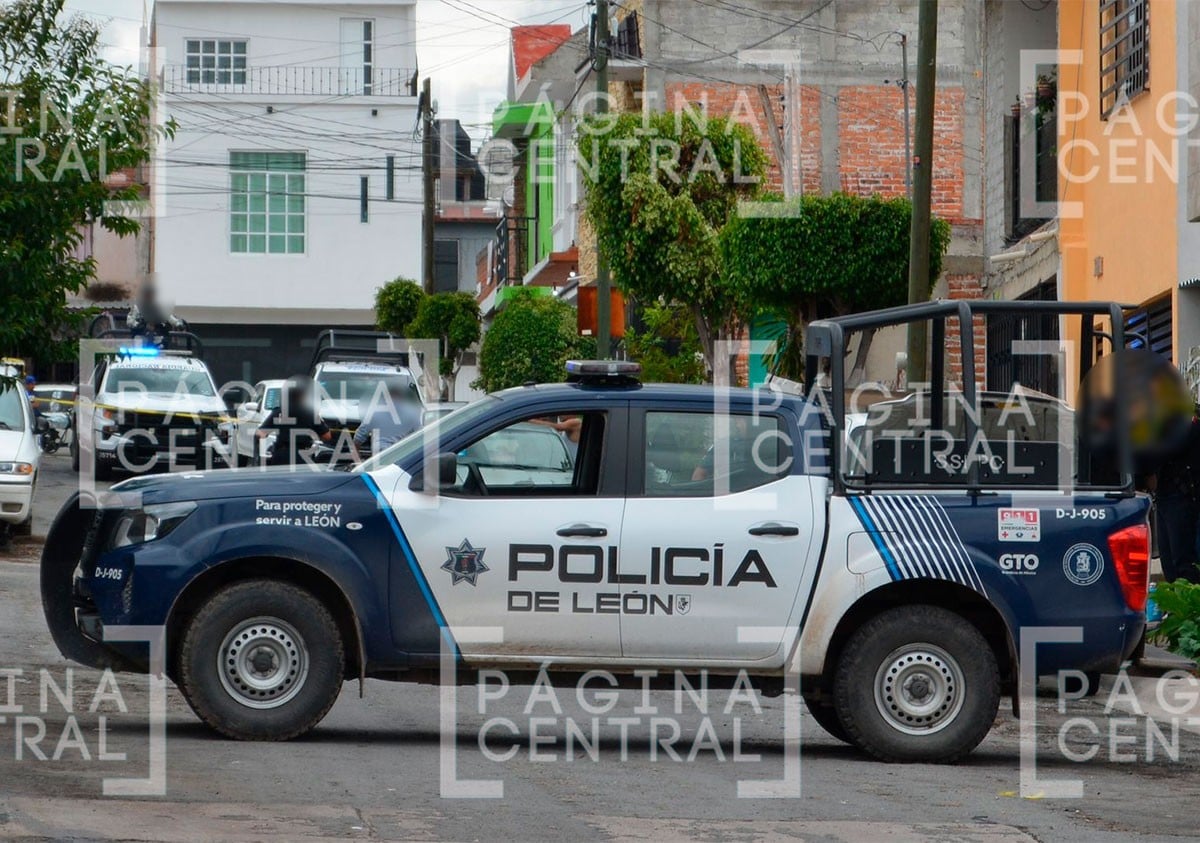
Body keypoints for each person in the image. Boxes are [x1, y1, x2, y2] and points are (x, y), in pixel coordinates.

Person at [1155, 406, 1200, 582]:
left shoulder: (1189, 430)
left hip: (1182, 498)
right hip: (1164, 496)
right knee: (1169, 562)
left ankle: (1187, 597)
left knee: (1183, 564)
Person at [257, 377, 331, 467]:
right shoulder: (310, 414)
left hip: (281, 455)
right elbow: (327, 436)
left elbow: (261, 434)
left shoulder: (278, 412)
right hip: (303, 456)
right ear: (302, 395)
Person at [353, 379, 423, 459]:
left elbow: (358, 438)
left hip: (379, 455)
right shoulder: (412, 412)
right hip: (401, 456)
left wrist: (357, 460)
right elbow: (419, 436)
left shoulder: (374, 412)